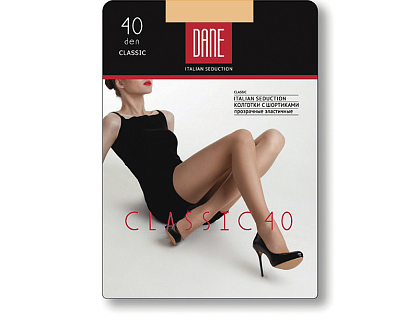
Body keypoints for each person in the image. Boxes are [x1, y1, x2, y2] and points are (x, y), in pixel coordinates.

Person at [102, 78, 303, 276]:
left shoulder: (166, 117)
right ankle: (266, 228)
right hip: (166, 197)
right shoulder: (114, 121)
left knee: (274, 137)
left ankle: (204, 212)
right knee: (242, 137)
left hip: (193, 196)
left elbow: (167, 157)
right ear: (120, 82)